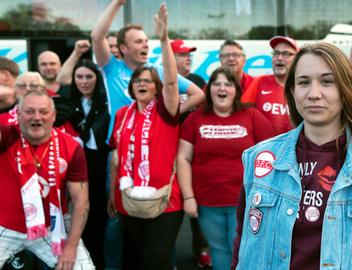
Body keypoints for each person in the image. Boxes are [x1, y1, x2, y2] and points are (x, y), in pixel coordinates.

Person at [232, 42, 352, 269]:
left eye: (327, 81)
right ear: (292, 91)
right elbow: (244, 242)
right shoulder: (261, 159)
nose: (314, 94)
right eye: (303, 82)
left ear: (346, 89)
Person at [177, 67, 274, 270]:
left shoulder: (252, 116)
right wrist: (188, 197)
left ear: (235, 90)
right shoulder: (196, 119)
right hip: (207, 201)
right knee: (219, 249)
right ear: (209, 89)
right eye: (217, 84)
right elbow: (183, 158)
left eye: (228, 84)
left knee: (240, 248)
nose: (222, 88)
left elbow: (270, 156)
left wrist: (264, 193)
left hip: (245, 200)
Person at [109, 4, 183, 269]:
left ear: (157, 89)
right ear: (132, 86)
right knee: (139, 258)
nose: (142, 84)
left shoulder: (166, 110)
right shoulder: (121, 115)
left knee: (158, 259)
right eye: (138, 80)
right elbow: (117, 155)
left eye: (148, 81)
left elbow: (173, 82)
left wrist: (164, 40)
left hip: (165, 200)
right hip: (128, 198)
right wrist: (111, 194)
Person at [0, 91, 94, 270]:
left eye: (43, 112)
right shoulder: (7, 136)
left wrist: (71, 247)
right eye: (29, 111)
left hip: (53, 228)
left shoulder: (72, 147)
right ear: (18, 114)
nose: (37, 117)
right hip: (6, 226)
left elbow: (80, 201)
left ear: (54, 116)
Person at [91, 0, 205, 139]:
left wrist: (168, 115)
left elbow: (198, 94)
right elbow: (97, 37)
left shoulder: (158, 70)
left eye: (146, 41)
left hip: (151, 143)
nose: (145, 45)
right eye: (139, 42)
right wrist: (117, 4)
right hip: (120, 145)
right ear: (123, 48)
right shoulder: (112, 68)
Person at [59, 59, 110, 269]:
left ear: (97, 79)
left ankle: (98, 261)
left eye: (89, 76)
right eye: (79, 77)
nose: (84, 81)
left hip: (99, 166)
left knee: (98, 215)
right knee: (75, 216)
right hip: (73, 166)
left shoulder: (107, 102)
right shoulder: (68, 102)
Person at [171, 38, 211, 268]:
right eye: (182, 54)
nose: (188, 58)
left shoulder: (197, 81)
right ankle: (169, 253)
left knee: (197, 202)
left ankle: (201, 248)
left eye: (189, 54)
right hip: (167, 148)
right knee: (172, 206)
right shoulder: (163, 81)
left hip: (192, 150)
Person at [241, 36, 297, 135]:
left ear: (296, 59)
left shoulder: (303, 86)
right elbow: (243, 113)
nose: (279, 58)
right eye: (276, 53)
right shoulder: (260, 81)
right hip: (264, 148)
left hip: (295, 147)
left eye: (286, 54)